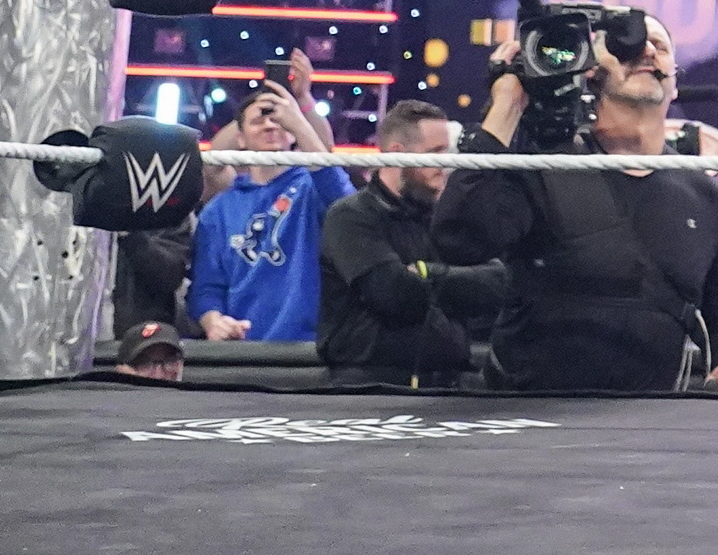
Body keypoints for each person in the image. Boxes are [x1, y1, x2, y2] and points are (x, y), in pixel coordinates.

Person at [435, 0, 718, 395]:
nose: (646, 51)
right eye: (626, 44)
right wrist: (507, 105)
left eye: (659, 46)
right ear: (589, 69)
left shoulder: (704, 192)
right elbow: (459, 240)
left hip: (648, 420)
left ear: (675, 82)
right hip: (529, 412)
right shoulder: (547, 163)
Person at [317, 100, 507, 389]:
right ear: (397, 153)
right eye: (435, 153)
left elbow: (500, 282)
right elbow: (392, 292)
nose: (446, 165)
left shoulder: (448, 219)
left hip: (448, 384)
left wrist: (428, 274)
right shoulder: (351, 216)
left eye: (448, 152)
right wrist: (460, 286)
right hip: (368, 387)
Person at [186, 67, 350, 343]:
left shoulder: (312, 187)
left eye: (278, 119)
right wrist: (214, 322)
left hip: (312, 349)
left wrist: (298, 115)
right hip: (243, 348)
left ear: (293, 132)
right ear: (240, 138)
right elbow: (206, 288)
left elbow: (345, 203)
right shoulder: (219, 210)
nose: (270, 125)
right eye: (259, 120)